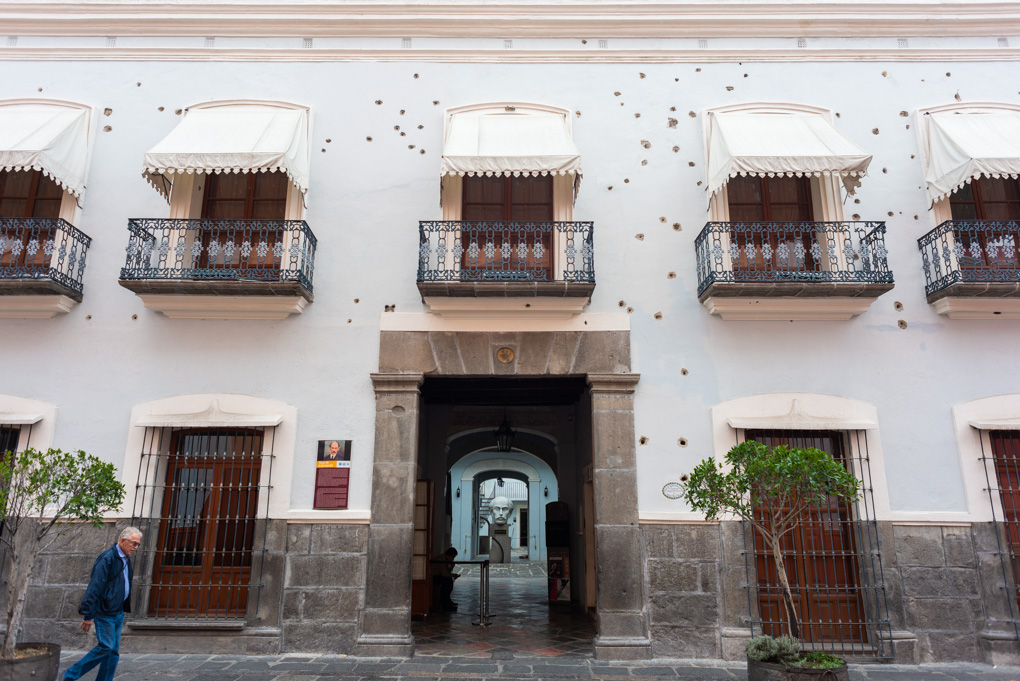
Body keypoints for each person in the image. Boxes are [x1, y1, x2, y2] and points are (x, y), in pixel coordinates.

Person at [63, 527, 142, 681]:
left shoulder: (126, 559)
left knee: (113, 651)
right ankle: (70, 675)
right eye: (133, 543)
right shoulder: (107, 558)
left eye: (138, 544)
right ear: (122, 541)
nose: (136, 547)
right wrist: (88, 614)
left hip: (117, 612)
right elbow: (95, 586)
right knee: (106, 646)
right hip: (105, 612)